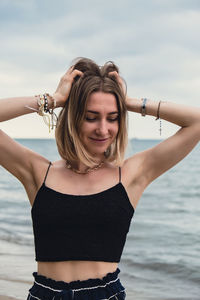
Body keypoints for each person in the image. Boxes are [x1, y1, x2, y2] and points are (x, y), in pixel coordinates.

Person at [0, 57, 200, 300]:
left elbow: (196, 121)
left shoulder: (129, 175)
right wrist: (54, 100)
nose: (103, 129)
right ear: (73, 117)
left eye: (113, 117)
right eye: (91, 117)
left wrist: (129, 102)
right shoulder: (39, 173)